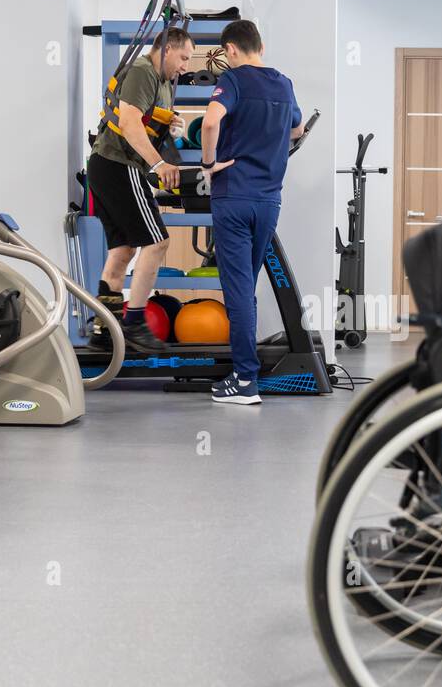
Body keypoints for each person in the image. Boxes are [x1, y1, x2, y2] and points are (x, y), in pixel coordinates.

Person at [198, 20, 305, 405]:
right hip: (268, 201)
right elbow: (296, 129)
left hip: (233, 198)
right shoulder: (284, 83)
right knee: (248, 287)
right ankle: (246, 371)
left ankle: (245, 379)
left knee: (238, 290)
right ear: (261, 44)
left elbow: (210, 121)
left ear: (230, 50)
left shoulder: (235, 80)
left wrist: (208, 163)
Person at [84, 26, 193, 352]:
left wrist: (169, 125)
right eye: (184, 57)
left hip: (107, 165)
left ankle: (104, 330)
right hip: (119, 164)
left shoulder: (160, 82)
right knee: (157, 242)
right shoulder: (143, 71)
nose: (186, 66)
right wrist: (159, 165)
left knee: (123, 251)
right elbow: (129, 123)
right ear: (167, 49)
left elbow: (144, 120)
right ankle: (134, 323)